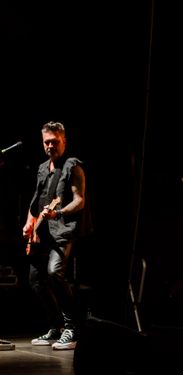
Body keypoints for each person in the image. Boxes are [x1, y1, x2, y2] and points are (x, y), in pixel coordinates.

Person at [22, 121, 87, 350]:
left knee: (54, 273)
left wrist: (57, 212)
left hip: (63, 231)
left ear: (64, 141)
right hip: (43, 233)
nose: (50, 146)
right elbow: (35, 203)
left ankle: (73, 328)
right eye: (46, 142)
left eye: (55, 142)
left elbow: (79, 200)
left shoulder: (72, 166)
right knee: (35, 280)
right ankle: (55, 327)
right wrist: (29, 223)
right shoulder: (42, 168)